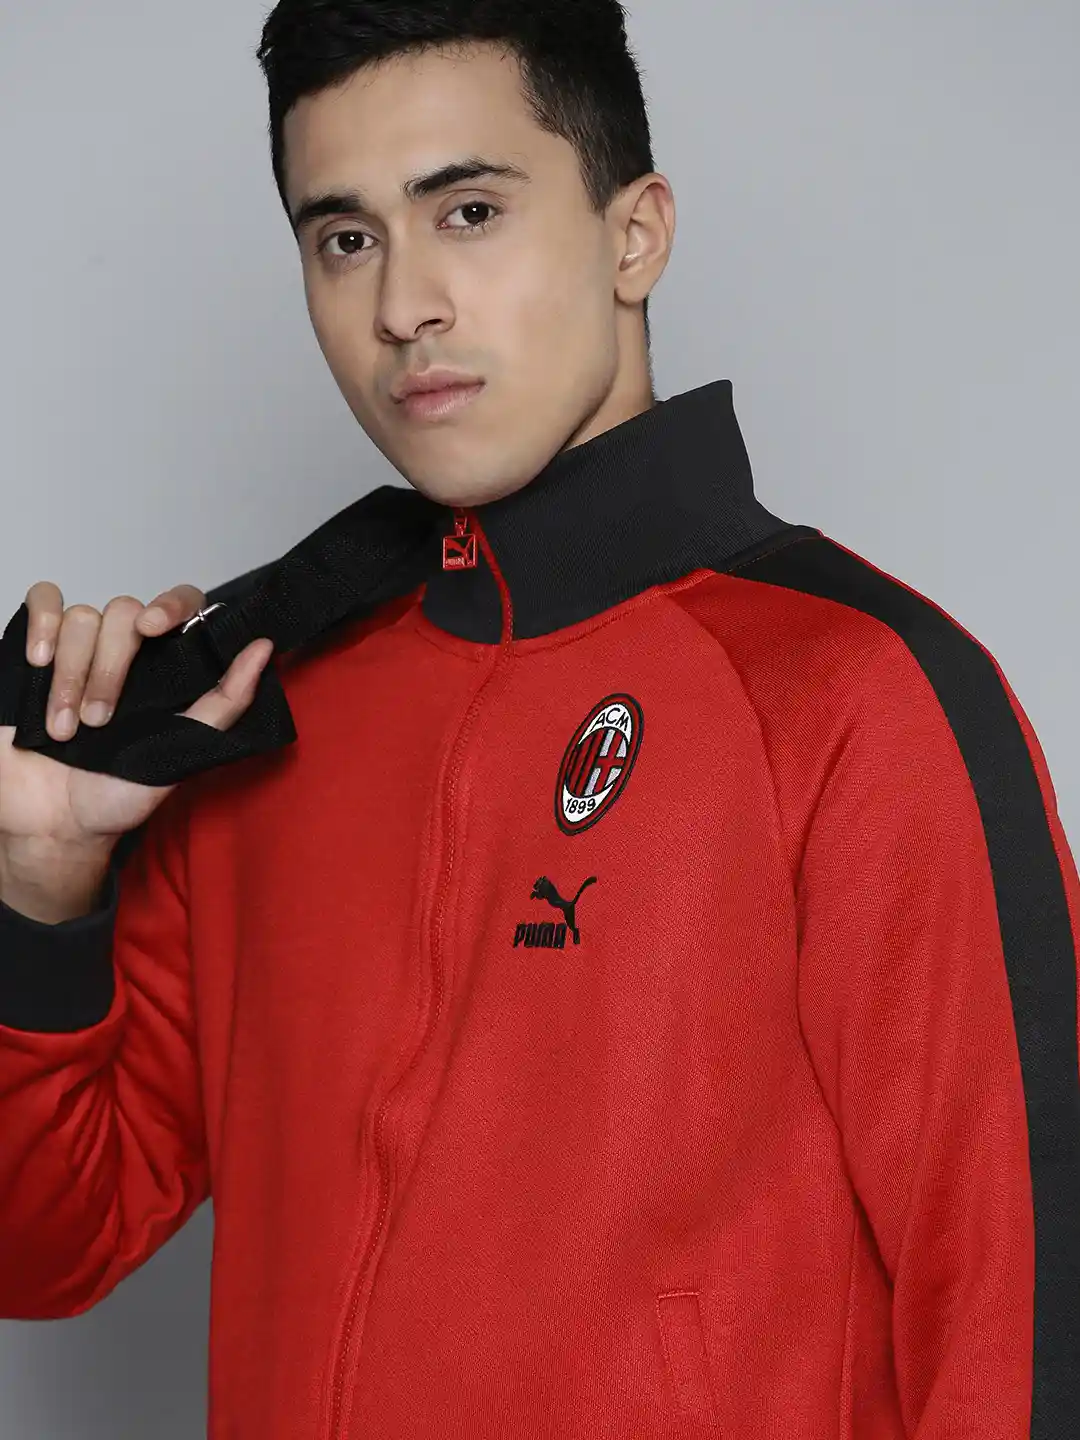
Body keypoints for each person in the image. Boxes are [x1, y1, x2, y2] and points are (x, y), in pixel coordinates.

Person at [1, 1, 1078, 1435]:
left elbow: (1024, 1326)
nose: (404, 306)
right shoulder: (261, 707)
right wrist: (43, 887)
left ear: (635, 235)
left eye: (469, 211)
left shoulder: (857, 695)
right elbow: (45, 1251)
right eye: (346, 238)